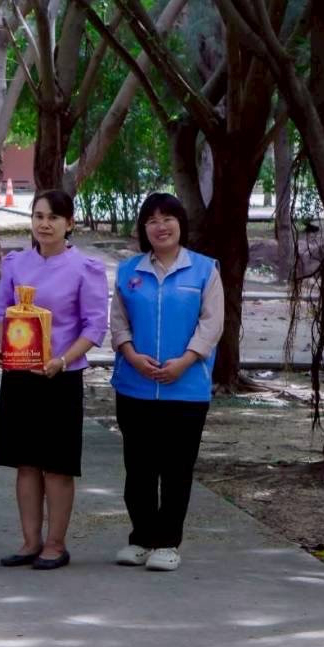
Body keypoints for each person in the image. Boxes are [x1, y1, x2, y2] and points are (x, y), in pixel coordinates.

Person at [0, 189, 108, 570]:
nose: (44, 223)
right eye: (38, 215)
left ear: (69, 224)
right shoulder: (15, 263)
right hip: (21, 376)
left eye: (53, 217)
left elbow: (94, 326)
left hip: (61, 377)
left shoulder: (85, 268)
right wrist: (3, 346)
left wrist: (62, 360)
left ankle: (56, 544)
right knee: (26, 464)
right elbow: (1, 312)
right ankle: (29, 541)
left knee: (56, 466)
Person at [110, 193, 222, 572]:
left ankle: (167, 543)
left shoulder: (205, 270)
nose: (161, 225)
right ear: (143, 228)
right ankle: (141, 538)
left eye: (168, 217)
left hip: (186, 388)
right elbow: (118, 321)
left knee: (177, 469)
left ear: (180, 223)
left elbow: (212, 323)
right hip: (134, 386)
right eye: (152, 219)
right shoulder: (129, 272)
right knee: (139, 468)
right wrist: (131, 355)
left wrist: (186, 361)